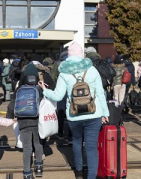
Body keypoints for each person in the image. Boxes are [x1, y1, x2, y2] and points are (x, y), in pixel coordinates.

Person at [39, 42, 109, 179]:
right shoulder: (92, 70)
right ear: (81, 54)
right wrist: (105, 113)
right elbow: (101, 94)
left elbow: (58, 96)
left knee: (76, 143)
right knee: (91, 147)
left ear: (69, 56)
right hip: (94, 114)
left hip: (74, 115)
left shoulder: (63, 72)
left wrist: (45, 91)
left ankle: (78, 172)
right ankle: (91, 176)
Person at [7, 63, 46, 179]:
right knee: (38, 144)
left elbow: (12, 104)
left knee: (27, 147)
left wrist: (9, 117)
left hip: (23, 121)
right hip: (37, 121)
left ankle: (27, 173)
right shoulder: (39, 89)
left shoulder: (19, 89)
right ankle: (38, 167)